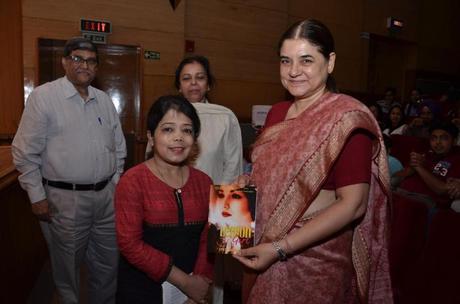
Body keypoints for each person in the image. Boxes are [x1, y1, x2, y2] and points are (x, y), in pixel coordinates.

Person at [233, 19, 393, 303]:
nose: (294, 71)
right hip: (263, 245)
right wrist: (248, 184)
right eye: (286, 61)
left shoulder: (346, 118)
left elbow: (353, 205)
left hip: (314, 262)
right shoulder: (277, 113)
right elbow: (272, 173)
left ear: (329, 62)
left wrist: (281, 248)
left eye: (306, 60)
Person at [12, 37, 126, 304]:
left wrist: (115, 183)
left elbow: (119, 148)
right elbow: (24, 151)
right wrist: (37, 196)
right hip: (65, 200)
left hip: (107, 198)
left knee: (109, 263)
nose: (84, 65)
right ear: (64, 62)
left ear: (96, 67)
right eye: (77, 58)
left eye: (90, 60)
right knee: (67, 268)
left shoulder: (105, 100)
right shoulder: (44, 96)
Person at [115, 95, 213, 304]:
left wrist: (198, 287)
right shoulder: (132, 181)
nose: (178, 137)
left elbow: (208, 239)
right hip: (142, 289)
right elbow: (129, 244)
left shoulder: (204, 182)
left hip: (192, 292)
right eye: (168, 129)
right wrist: (185, 282)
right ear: (151, 136)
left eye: (187, 130)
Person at [397, 122, 460, 208]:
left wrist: (419, 168)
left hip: (423, 202)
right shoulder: (425, 154)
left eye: (444, 138)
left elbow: (443, 189)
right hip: (400, 192)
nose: (437, 142)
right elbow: (396, 177)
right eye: (433, 138)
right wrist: (412, 167)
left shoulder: (456, 159)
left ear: (455, 141)